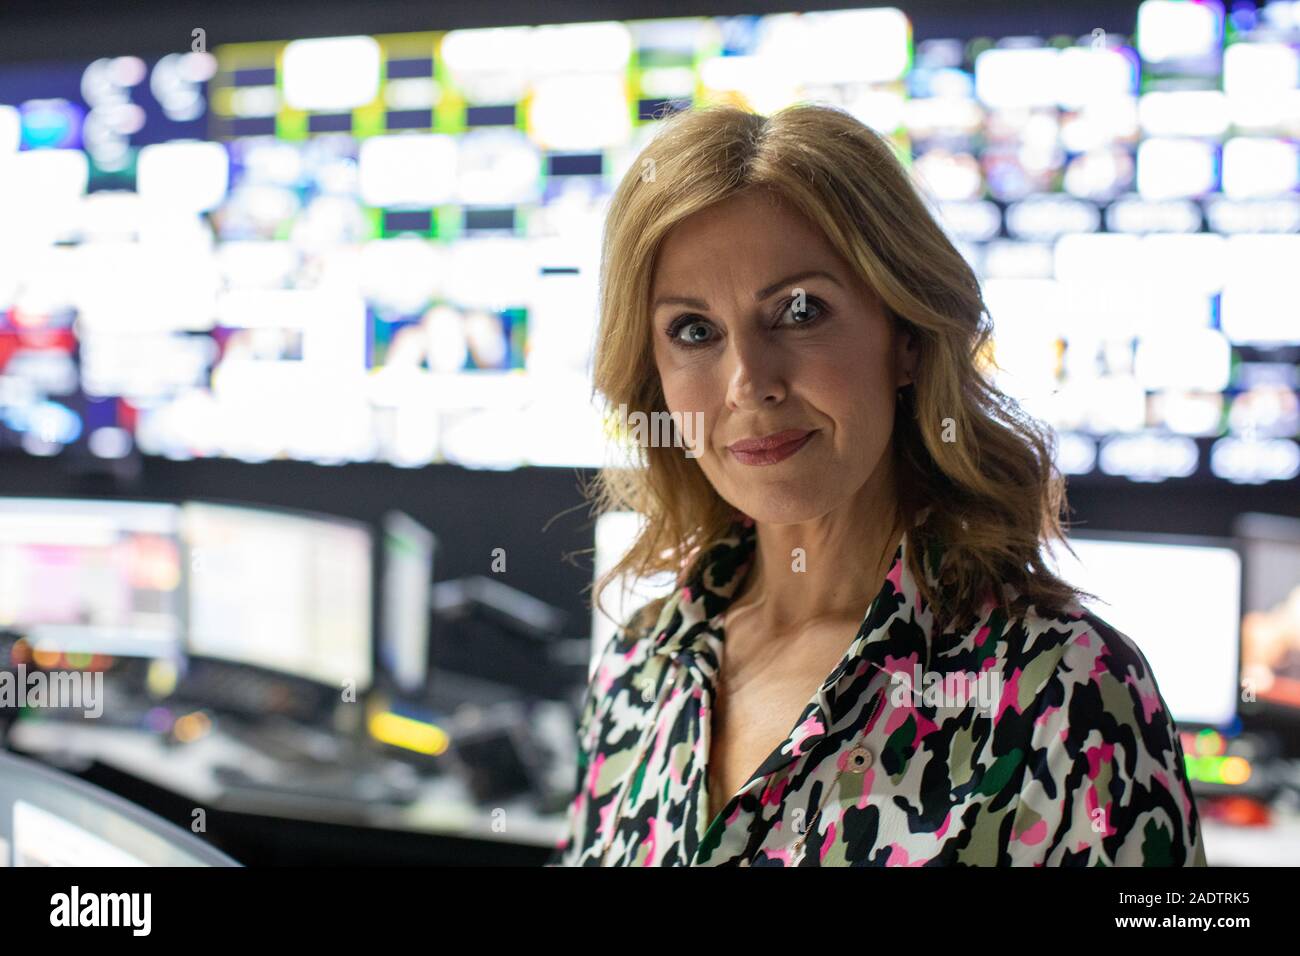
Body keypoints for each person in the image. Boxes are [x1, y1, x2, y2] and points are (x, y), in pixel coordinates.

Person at [547, 102, 1206, 866]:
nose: (747, 384)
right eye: (695, 331)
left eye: (798, 312)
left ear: (907, 340)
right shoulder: (638, 667)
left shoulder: (1065, 692)